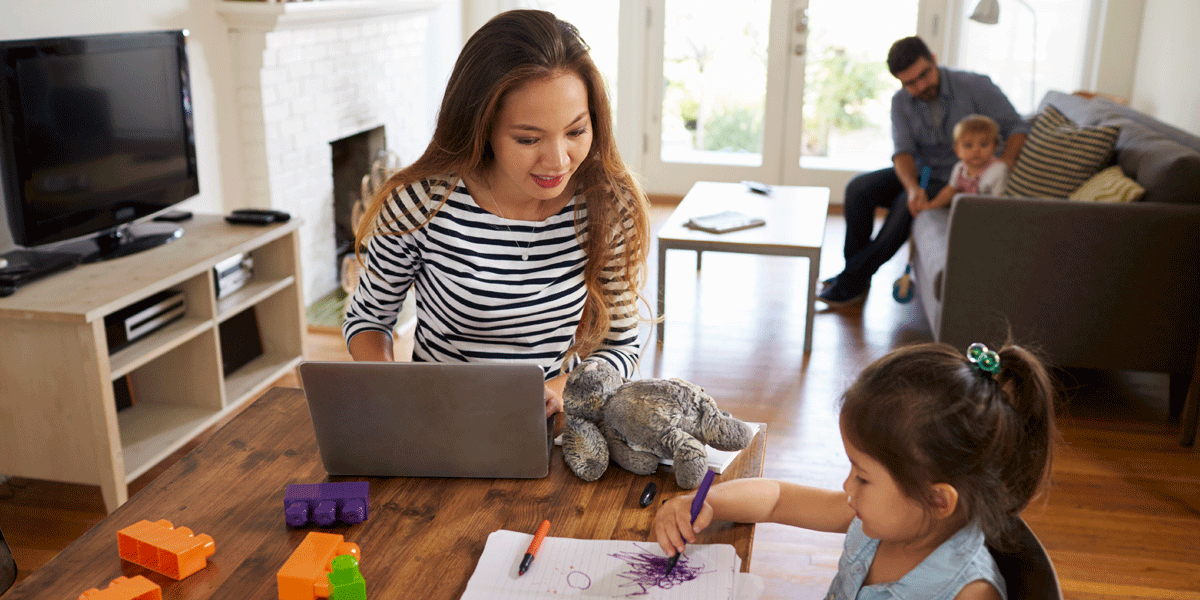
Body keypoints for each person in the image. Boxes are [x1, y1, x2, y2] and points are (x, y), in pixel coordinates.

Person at [342, 9, 652, 420]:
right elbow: (368, 319)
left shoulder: (606, 207)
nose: (558, 161)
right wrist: (396, 395)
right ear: (482, 126)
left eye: (576, 131)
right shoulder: (420, 202)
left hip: (550, 427)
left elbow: (621, 344)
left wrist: (562, 389)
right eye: (528, 138)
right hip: (437, 420)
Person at [654, 341, 1059, 600]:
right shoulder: (878, 520)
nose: (848, 486)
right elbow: (777, 498)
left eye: (863, 476)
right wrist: (703, 502)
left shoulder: (969, 593)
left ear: (938, 499)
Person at [818, 36, 1029, 308]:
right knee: (858, 189)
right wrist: (911, 187)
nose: (920, 86)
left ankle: (850, 281)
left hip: (953, 179)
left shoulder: (976, 85)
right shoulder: (900, 102)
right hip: (919, 172)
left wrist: (1005, 163)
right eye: (910, 83)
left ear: (933, 59)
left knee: (902, 210)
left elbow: (1018, 126)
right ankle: (855, 277)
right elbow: (902, 151)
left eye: (924, 75)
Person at [913, 115, 1009, 215]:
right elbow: (950, 191)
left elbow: (1000, 203)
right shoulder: (959, 167)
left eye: (983, 144)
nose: (976, 150)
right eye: (968, 145)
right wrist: (930, 206)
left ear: (995, 146)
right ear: (957, 150)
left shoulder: (999, 169)